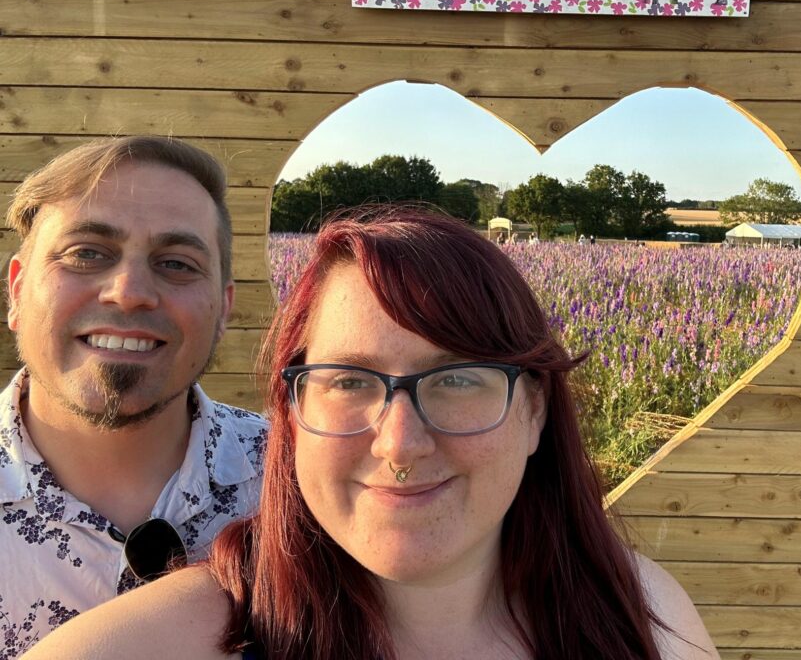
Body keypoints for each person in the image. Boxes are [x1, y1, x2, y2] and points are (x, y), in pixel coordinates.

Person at [24, 207, 718, 660]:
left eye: (456, 379)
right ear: (292, 414)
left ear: (536, 412)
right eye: (351, 382)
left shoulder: (648, 621)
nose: (400, 444)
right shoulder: (137, 649)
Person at [1, 136, 267, 658]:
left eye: (177, 263)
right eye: (86, 254)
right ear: (16, 291)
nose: (128, 290)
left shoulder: (303, 480)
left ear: (223, 309)